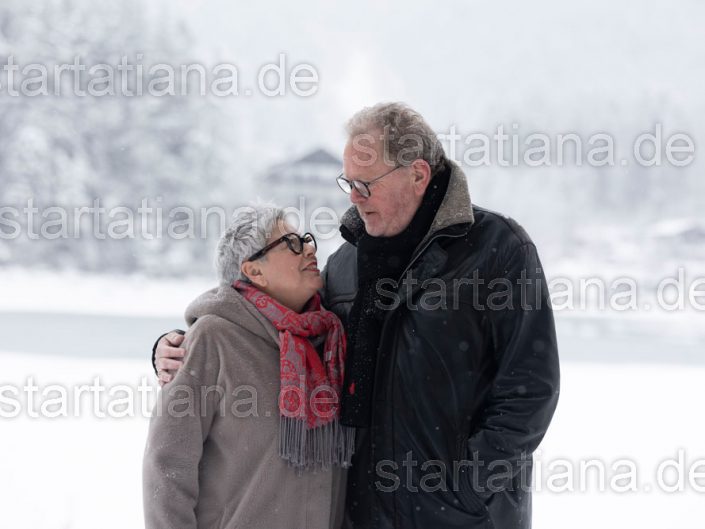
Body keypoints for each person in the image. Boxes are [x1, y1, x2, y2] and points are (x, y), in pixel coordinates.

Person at [153, 102, 560, 529]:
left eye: (365, 183)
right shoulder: (347, 264)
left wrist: (467, 489)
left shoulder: (497, 250)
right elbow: (276, 322)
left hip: (465, 519)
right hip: (363, 516)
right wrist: (179, 345)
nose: (353, 196)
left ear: (417, 175)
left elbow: (531, 389)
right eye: (348, 182)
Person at [143, 205, 354, 529]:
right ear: (254, 270)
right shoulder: (213, 339)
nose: (310, 249)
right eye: (292, 243)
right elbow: (167, 466)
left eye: (306, 240)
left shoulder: (330, 341)